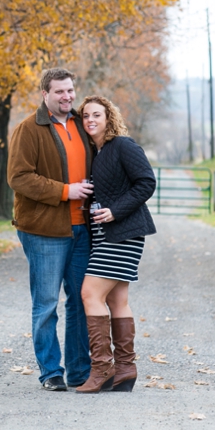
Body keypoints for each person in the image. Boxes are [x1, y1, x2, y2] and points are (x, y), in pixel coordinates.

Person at [7, 68, 94, 391]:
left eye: (70, 90)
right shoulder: (28, 130)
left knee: (82, 301)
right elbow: (18, 177)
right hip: (44, 231)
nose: (67, 97)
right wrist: (64, 191)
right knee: (46, 304)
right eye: (59, 92)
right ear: (45, 94)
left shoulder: (81, 125)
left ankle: (79, 371)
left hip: (81, 229)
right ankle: (50, 372)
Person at [74, 95, 156, 394]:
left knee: (89, 293)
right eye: (85, 116)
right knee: (116, 300)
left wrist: (116, 210)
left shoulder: (123, 145)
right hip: (104, 235)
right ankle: (125, 369)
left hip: (124, 233)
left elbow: (146, 182)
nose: (91, 120)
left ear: (109, 117)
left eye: (97, 114)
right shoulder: (95, 152)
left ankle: (102, 369)